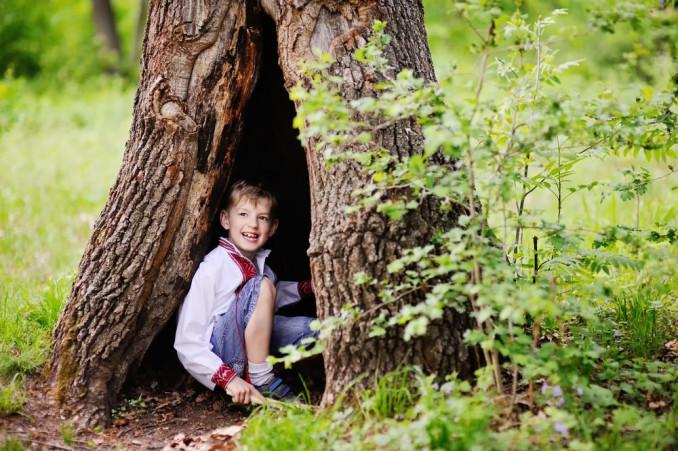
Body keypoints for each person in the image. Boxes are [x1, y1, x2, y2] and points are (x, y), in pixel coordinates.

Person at [174, 180, 315, 404]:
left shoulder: (261, 266)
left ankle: (292, 373)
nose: (253, 224)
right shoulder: (213, 268)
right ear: (225, 219)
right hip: (225, 357)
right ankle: (261, 379)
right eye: (243, 214)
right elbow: (187, 342)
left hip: (252, 346)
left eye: (262, 218)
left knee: (315, 329)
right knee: (261, 285)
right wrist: (229, 380)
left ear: (273, 227)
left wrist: (306, 288)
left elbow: (265, 303)